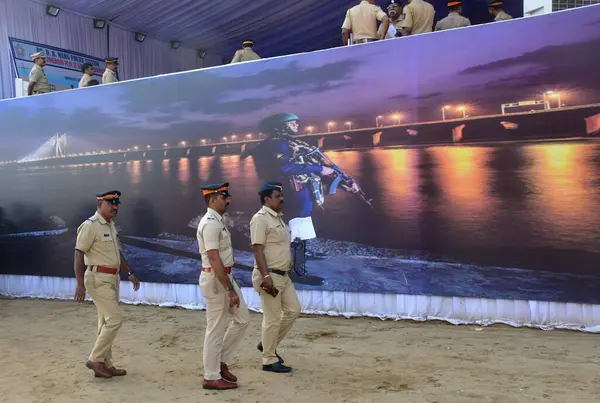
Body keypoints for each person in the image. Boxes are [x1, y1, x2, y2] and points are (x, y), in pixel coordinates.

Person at [74, 190, 141, 379]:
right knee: (114, 320)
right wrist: (80, 284)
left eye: (117, 203)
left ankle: (105, 363)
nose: (114, 207)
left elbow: (116, 254)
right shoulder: (90, 226)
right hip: (97, 278)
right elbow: (79, 253)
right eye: (110, 203)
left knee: (105, 322)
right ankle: (95, 359)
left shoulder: (110, 225)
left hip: (112, 278)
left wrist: (129, 272)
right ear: (100, 204)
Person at [196, 182, 250, 390]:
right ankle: (210, 376)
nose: (228, 200)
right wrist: (228, 289)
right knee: (215, 328)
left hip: (225, 277)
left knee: (243, 319)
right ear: (212, 200)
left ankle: (220, 361)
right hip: (216, 280)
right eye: (223, 197)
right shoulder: (210, 223)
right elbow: (213, 257)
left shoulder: (219, 221)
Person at [250, 182, 301, 373]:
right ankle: (268, 360)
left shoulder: (279, 219)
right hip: (269, 276)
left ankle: (267, 344)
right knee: (272, 319)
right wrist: (265, 276)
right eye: (277, 196)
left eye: (281, 196)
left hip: (284, 275)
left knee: (294, 310)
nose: (282, 199)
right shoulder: (260, 219)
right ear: (267, 199)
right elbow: (257, 249)